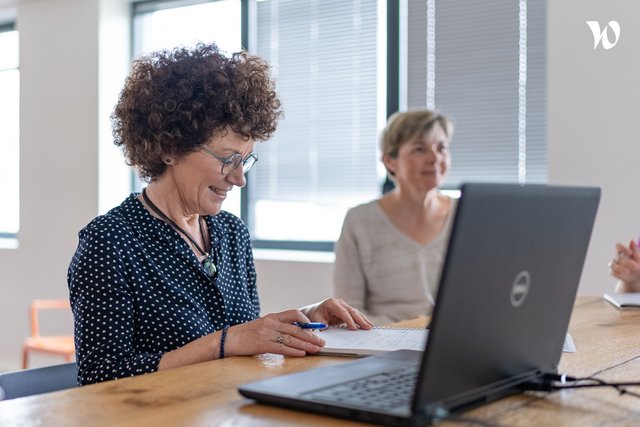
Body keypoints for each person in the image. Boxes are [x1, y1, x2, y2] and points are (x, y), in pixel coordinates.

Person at [67, 42, 372, 386]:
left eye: (246, 160)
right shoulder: (110, 241)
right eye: (227, 159)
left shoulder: (231, 233)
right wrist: (224, 343)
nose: (239, 178)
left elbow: (246, 338)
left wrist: (305, 320)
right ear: (169, 148)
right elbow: (100, 376)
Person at [332, 109, 455, 325]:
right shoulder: (359, 221)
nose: (435, 158)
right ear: (390, 161)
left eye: (441, 148)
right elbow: (348, 310)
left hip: (452, 338)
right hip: (385, 340)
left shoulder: (463, 215)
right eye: (420, 149)